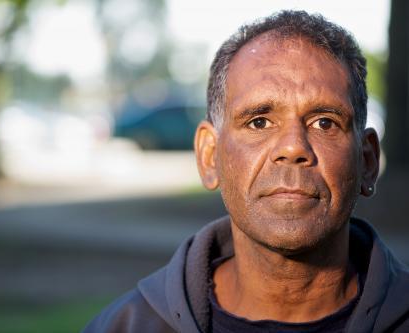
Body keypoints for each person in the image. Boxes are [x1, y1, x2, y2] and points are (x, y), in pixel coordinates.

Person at [83, 10, 409, 333]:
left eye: (325, 123)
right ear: (210, 156)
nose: (293, 147)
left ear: (367, 161)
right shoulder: (125, 326)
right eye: (259, 122)